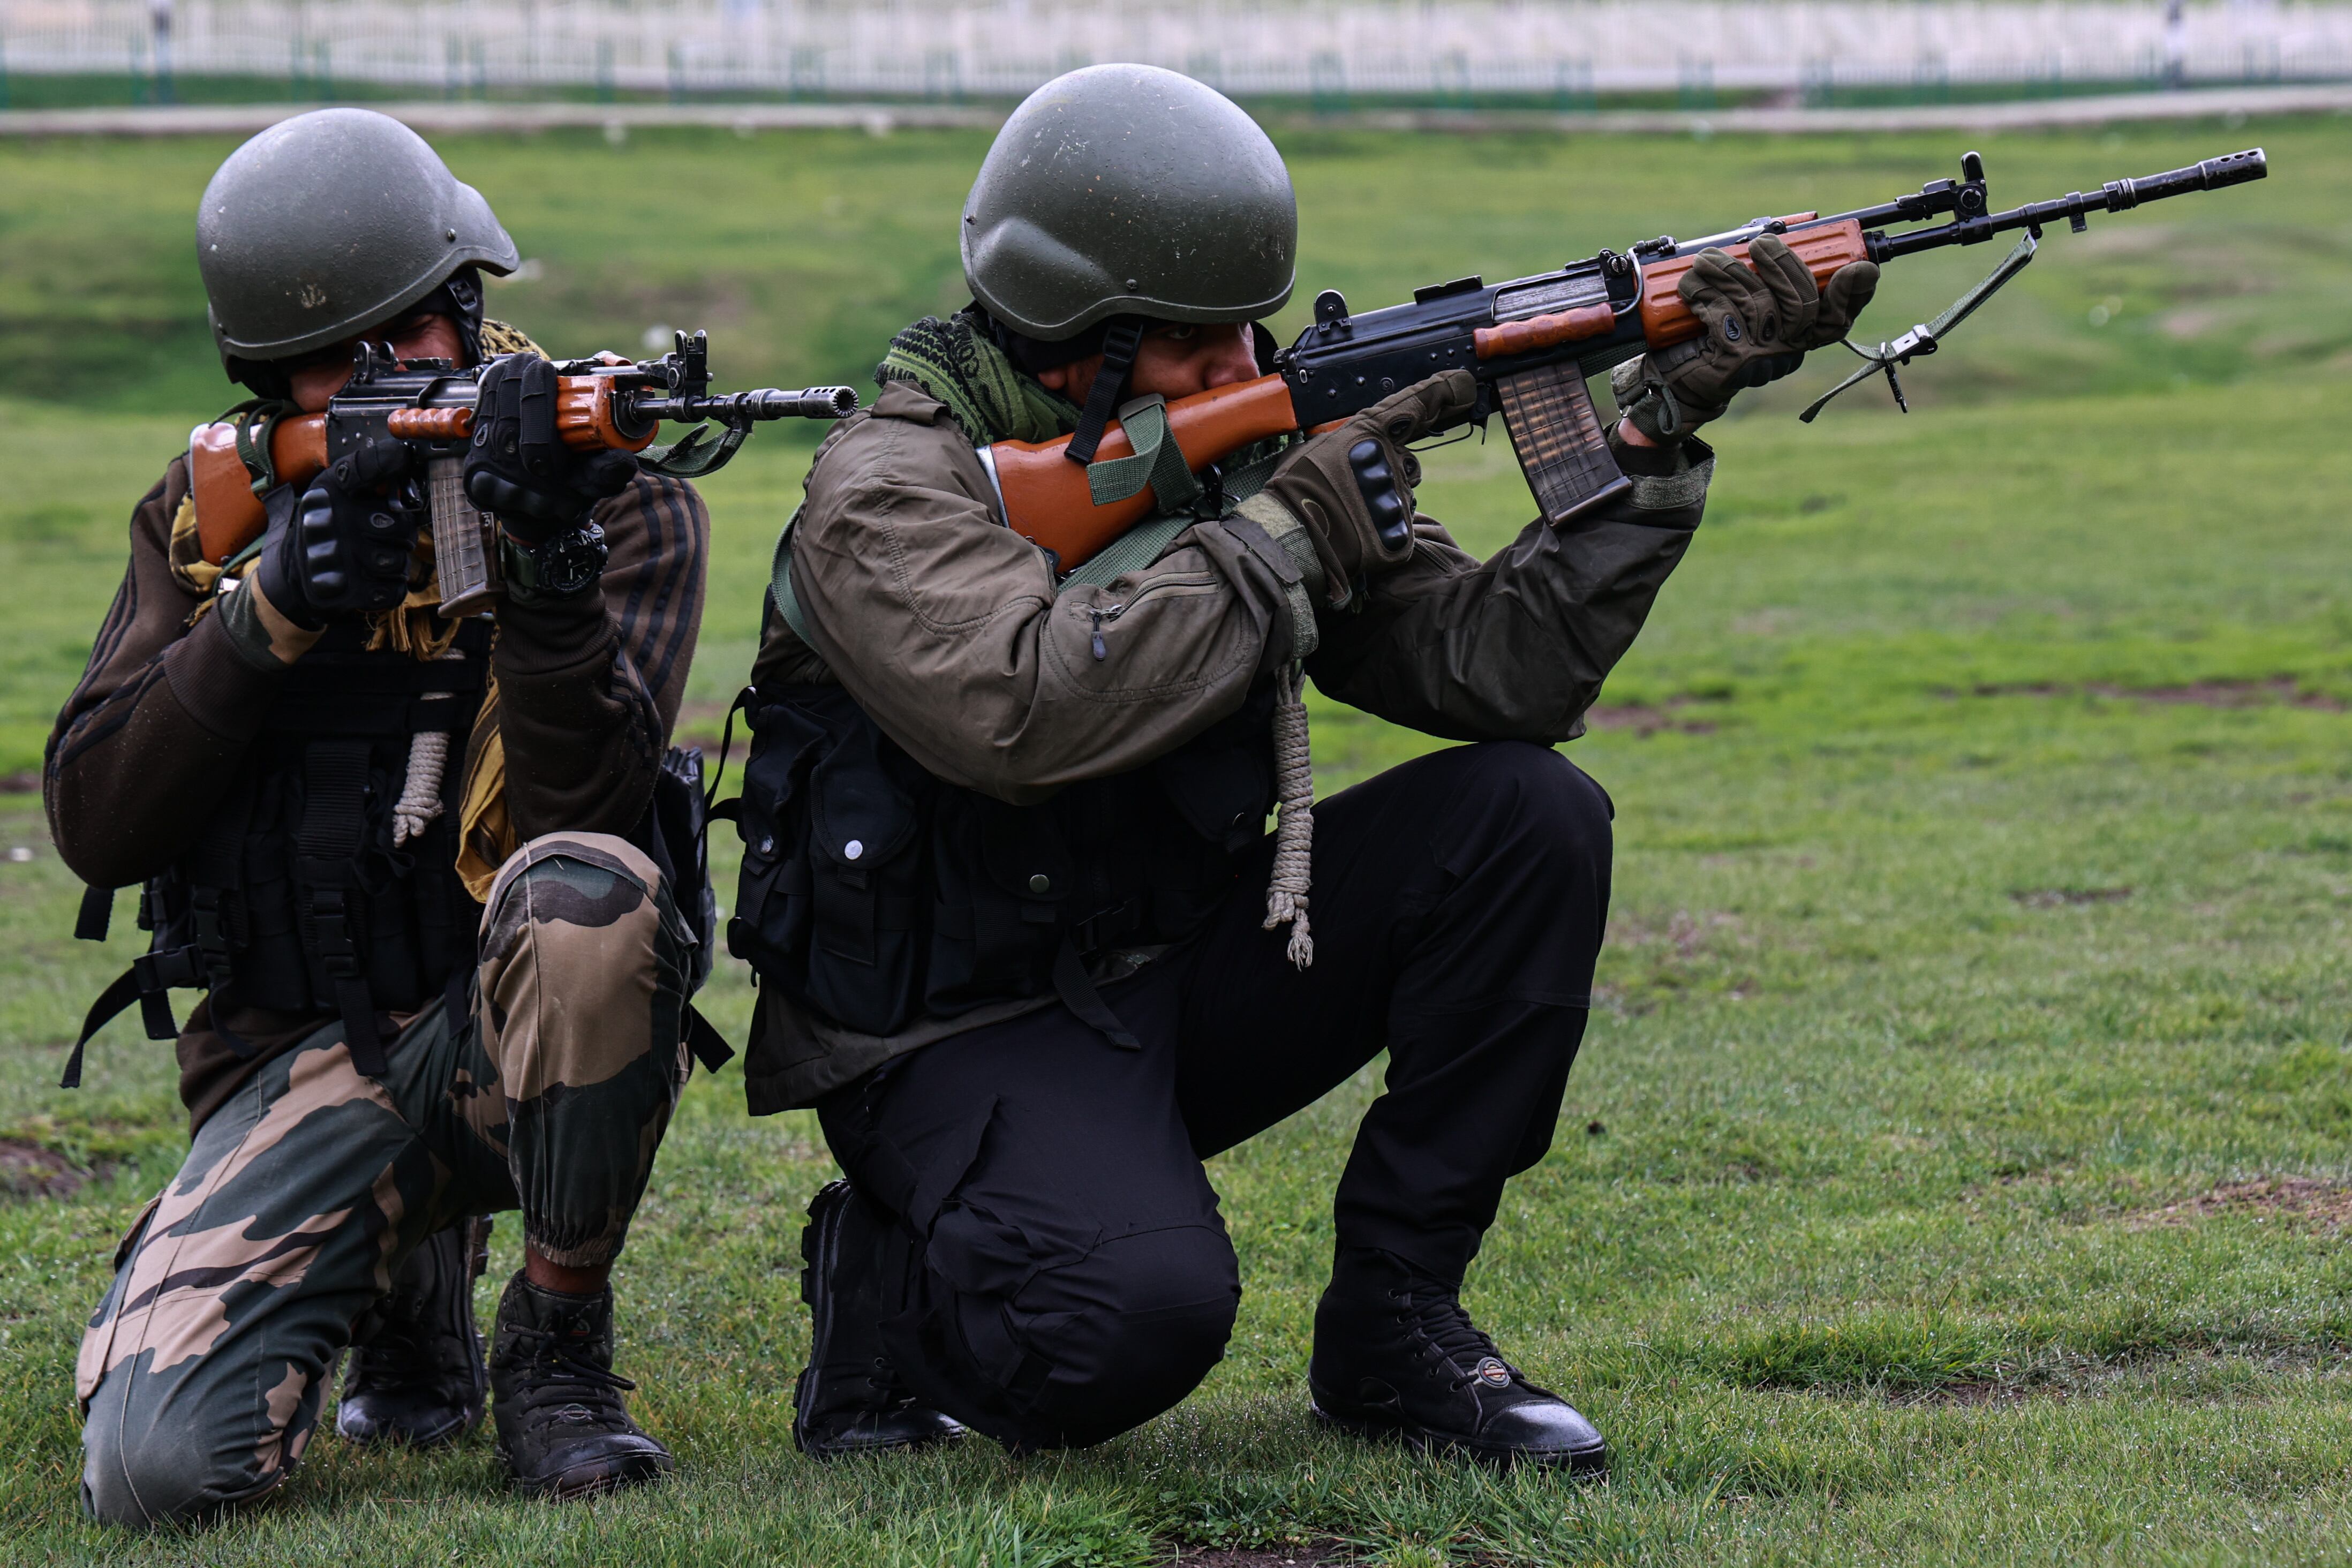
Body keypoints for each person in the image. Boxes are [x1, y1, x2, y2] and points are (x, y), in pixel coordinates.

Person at [735, 65, 1876, 1472]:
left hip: (1175, 970)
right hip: (946, 1031)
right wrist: (1285, 536)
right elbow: (1021, 717)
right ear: (1071, 343)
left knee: (1528, 820)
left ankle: (1396, 1323)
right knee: (1126, 1330)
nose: (1238, 368)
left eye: (1248, 329)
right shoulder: (889, 491)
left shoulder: (1240, 466)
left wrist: (1652, 429)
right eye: (1189, 344)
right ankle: (887, 1288)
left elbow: (1498, 673)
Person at [49, 108, 713, 1525]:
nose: (404, 372)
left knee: (591, 900)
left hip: (506, 1042)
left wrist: (544, 565)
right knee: (161, 1475)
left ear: (473, 310)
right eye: (347, 357)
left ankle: (556, 1346)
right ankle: (404, 1298)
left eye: (424, 327)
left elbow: (584, 821)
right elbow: (98, 822)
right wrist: (264, 615)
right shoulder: (209, 510)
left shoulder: (609, 495)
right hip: (293, 1062)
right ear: (266, 379)